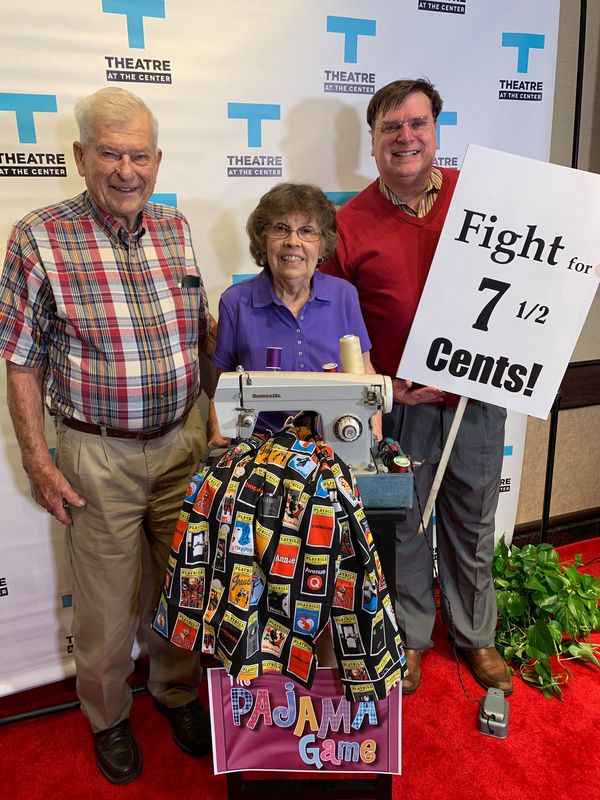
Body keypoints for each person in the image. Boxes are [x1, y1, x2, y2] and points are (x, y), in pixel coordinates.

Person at [0, 87, 214, 784]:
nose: (128, 170)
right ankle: (109, 716)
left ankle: (177, 690)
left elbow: (200, 336)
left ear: (158, 159)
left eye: (140, 155)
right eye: (111, 154)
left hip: (184, 443)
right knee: (101, 607)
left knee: (186, 585)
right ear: (81, 157)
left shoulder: (177, 227)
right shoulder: (38, 236)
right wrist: (38, 457)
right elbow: (22, 358)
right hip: (98, 453)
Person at [321, 78, 512, 696]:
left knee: (472, 518)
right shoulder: (346, 226)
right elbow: (332, 324)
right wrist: (381, 386)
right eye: (390, 128)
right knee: (400, 526)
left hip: (475, 399)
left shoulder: (479, 199)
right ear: (372, 143)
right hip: (396, 409)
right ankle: (408, 637)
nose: (405, 137)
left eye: (417, 124)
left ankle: (476, 636)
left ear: (436, 132)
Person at [209, 182, 379, 441]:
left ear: (322, 245)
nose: (293, 241)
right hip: (260, 450)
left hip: (334, 443)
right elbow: (224, 387)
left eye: (307, 231)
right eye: (280, 229)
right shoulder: (236, 302)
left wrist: (373, 439)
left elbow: (366, 373)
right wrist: (219, 444)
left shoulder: (344, 295)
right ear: (262, 239)